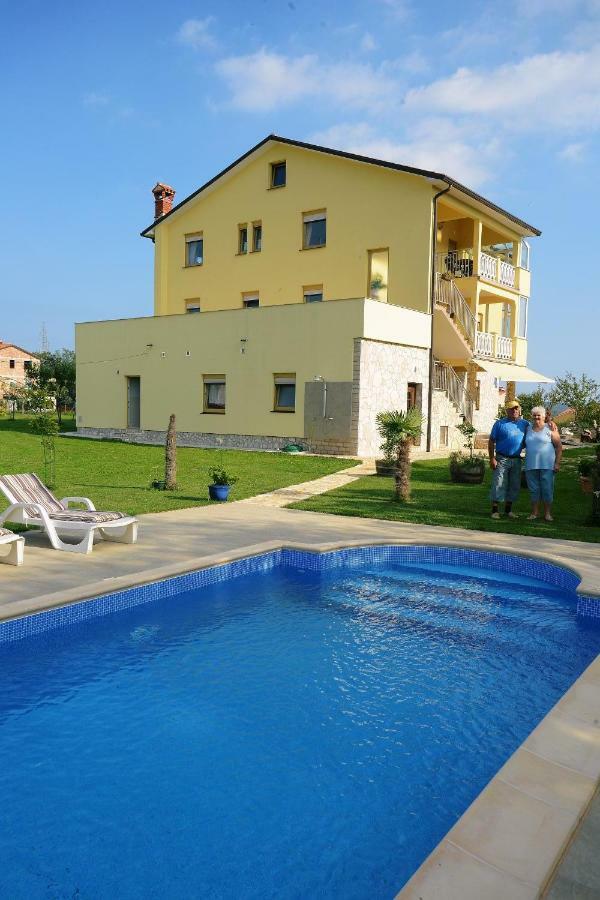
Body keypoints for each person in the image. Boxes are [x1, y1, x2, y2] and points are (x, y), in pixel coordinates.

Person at [488, 400, 529, 519]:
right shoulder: (499, 424)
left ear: (519, 410)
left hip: (516, 459)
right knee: (499, 483)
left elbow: (537, 429)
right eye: (511, 409)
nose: (514, 411)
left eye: (516, 408)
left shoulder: (525, 424)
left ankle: (508, 510)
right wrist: (492, 458)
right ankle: (495, 510)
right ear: (507, 410)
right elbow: (491, 441)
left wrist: (551, 424)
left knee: (514, 484)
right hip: (501, 458)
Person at [524, 406, 562, 521]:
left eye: (539, 415)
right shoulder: (528, 428)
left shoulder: (550, 429)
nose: (536, 417)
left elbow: (559, 447)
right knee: (534, 490)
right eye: (534, 415)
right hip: (531, 465)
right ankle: (534, 513)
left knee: (547, 489)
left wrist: (557, 463)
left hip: (547, 465)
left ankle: (547, 514)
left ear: (544, 416)